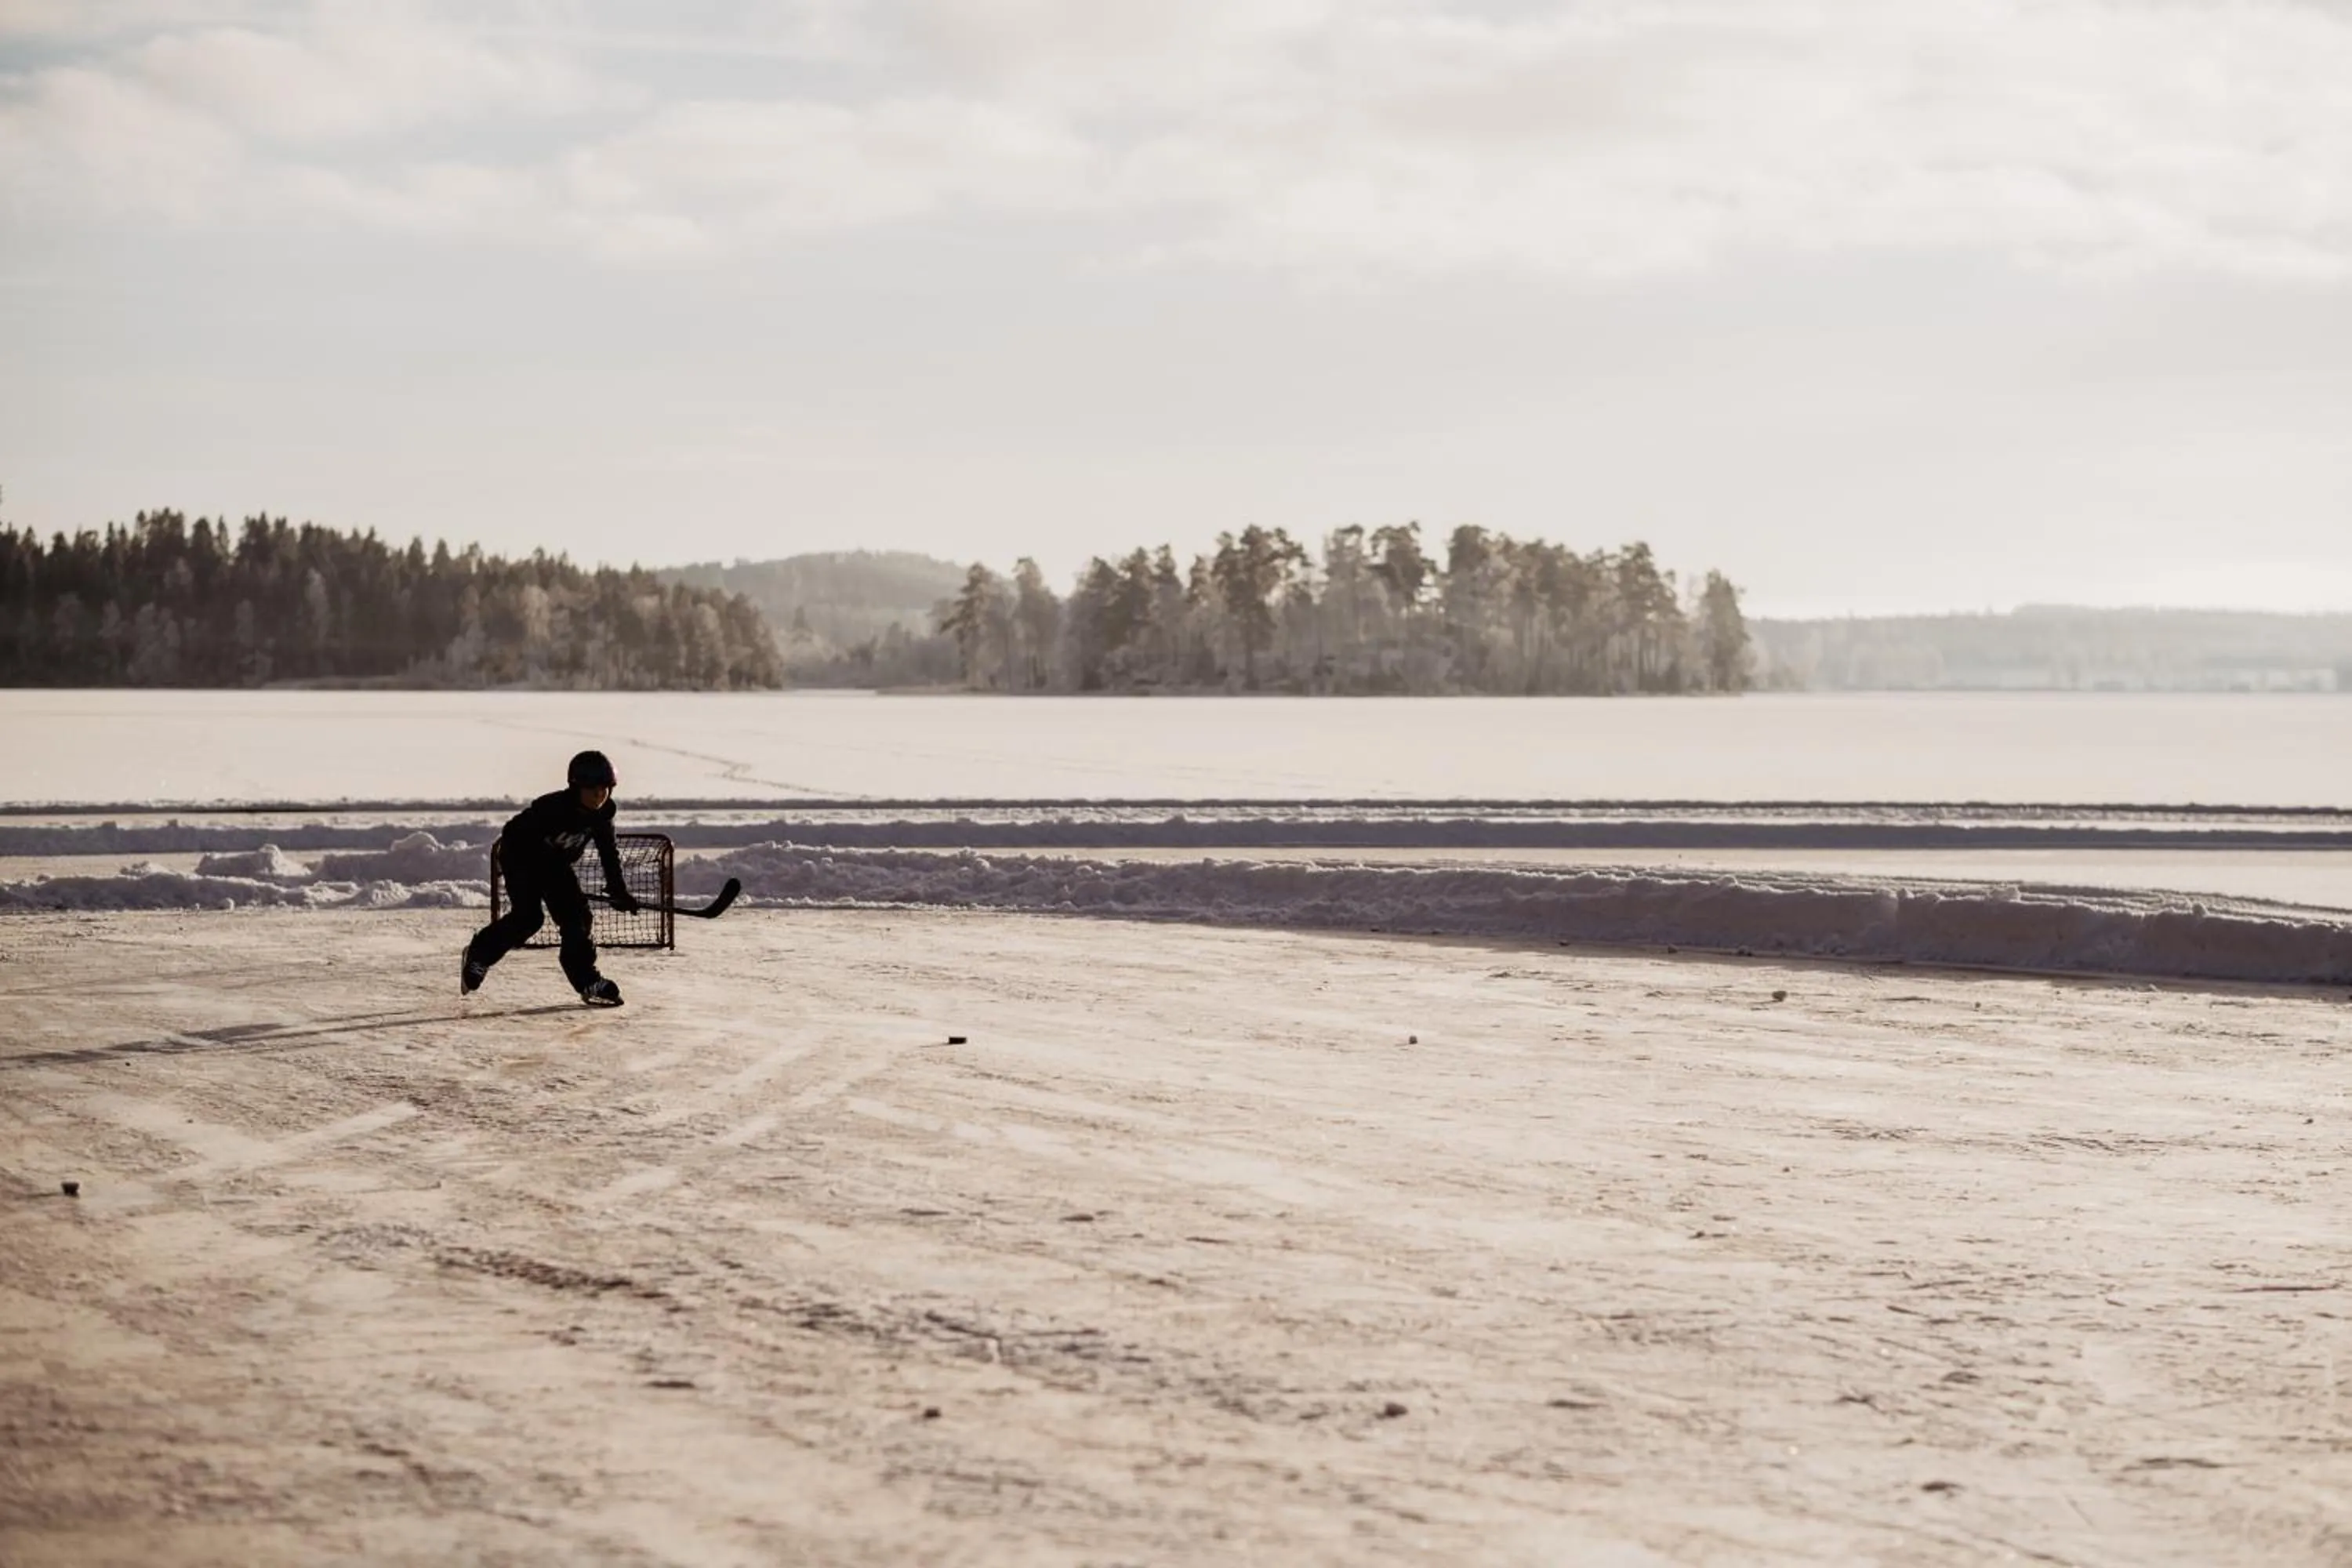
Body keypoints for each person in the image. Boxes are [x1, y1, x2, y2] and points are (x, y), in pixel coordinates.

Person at [462, 750, 641, 1007]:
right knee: (529, 918)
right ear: (576, 787)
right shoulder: (552, 808)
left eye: (605, 789)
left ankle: (587, 980)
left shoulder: (603, 814)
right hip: (519, 858)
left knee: (578, 919)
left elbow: (608, 853)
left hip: (555, 865)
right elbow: (515, 835)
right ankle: (479, 954)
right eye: (592, 790)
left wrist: (618, 891)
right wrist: (546, 873)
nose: (599, 795)